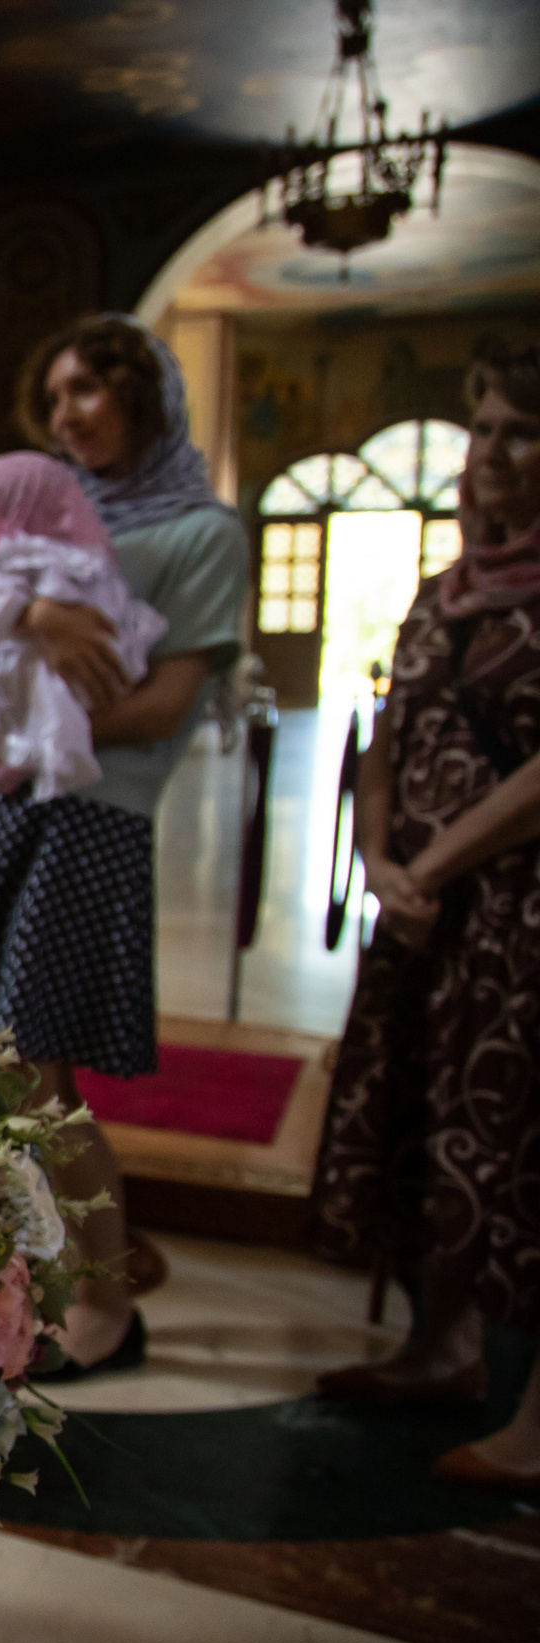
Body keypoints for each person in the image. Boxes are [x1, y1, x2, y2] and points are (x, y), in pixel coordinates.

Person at [0, 313, 249, 1378]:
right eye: (56, 395)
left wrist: (33, 660)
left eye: (92, 391)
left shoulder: (201, 533)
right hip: (3, 803)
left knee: (41, 1074)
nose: (69, 413)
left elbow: (161, 705)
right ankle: (38, 1281)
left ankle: (106, 1302)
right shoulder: (43, 516)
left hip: (91, 814)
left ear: (142, 400)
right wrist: (18, 639)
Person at [309, 345, 540, 1491]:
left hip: (516, 909)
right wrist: (383, 850)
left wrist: (437, 861)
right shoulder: (443, 588)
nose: (491, 454)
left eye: (518, 434)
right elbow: (386, 735)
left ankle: (533, 1414)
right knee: (428, 1109)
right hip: (423, 907)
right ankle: (437, 1344)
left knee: (517, 1138)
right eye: (484, 430)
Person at [0, 451, 167, 801]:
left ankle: (15, 759)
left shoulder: (23, 557)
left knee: (39, 703)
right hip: (47, 658)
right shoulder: (79, 559)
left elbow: (0, 608)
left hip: (51, 667)